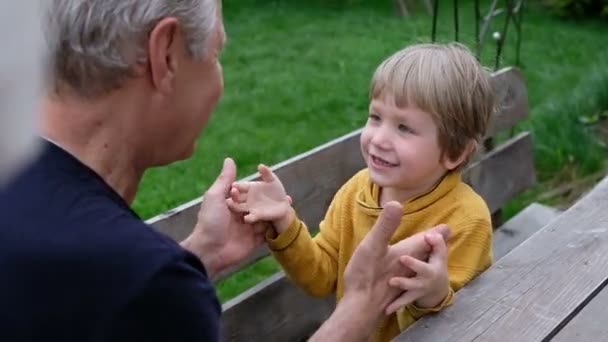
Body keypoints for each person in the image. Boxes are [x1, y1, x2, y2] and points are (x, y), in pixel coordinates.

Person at [0, 1, 450, 341]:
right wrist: (359, 308)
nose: (220, 81)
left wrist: (201, 254)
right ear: (167, 55)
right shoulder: (147, 285)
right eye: (216, 55)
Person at [227, 42, 495, 341]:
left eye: (404, 128)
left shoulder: (467, 219)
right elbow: (321, 276)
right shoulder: (357, 190)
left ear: (456, 152)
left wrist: (432, 295)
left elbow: (467, 325)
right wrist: (284, 222)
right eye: (375, 117)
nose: (379, 138)